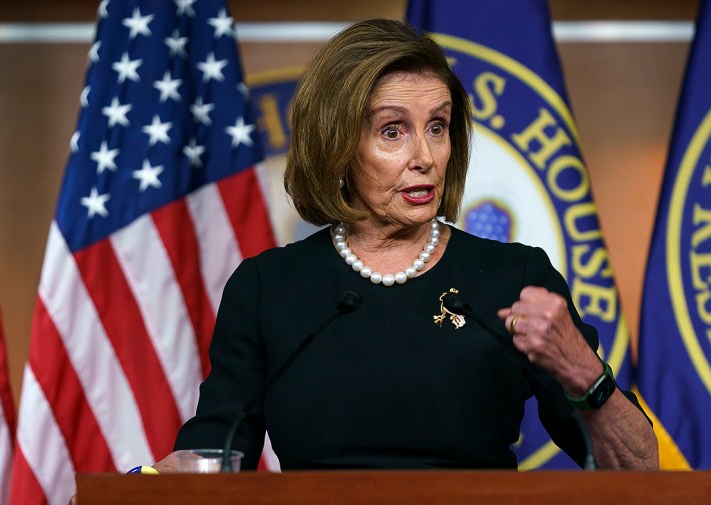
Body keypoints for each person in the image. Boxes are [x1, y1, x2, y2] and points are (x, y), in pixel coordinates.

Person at [155, 18, 658, 472]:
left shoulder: (515, 279)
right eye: (393, 131)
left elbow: (640, 471)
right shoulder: (268, 288)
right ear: (337, 144)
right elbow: (211, 459)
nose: (424, 156)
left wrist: (586, 374)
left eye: (437, 127)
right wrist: (133, 488)